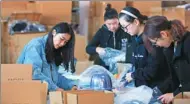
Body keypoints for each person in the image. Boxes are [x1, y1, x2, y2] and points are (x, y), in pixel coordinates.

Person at [118, 7, 172, 96]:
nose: (125, 31)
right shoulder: (134, 38)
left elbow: (153, 70)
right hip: (143, 90)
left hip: (158, 91)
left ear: (136, 22)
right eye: (123, 28)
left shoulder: (153, 39)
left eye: (125, 27)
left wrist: (133, 75)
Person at [17, 22, 77, 91]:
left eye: (65, 42)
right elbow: (33, 73)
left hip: (43, 94)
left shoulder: (53, 50)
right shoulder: (36, 45)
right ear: (54, 32)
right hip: (28, 93)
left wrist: (71, 85)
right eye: (62, 39)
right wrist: (55, 88)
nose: (62, 44)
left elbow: (55, 78)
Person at [144, 16, 190, 104]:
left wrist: (175, 94)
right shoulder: (170, 47)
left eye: (155, 42)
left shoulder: (188, 43)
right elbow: (174, 77)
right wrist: (158, 90)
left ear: (164, 34)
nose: (156, 45)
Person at [86, 4, 132, 71]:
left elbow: (133, 47)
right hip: (103, 67)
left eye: (115, 23)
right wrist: (98, 49)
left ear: (119, 20)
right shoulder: (102, 32)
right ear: (105, 22)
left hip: (121, 66)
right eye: (109, 24)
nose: (112, 26)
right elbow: (88, 48)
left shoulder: (126, 31)